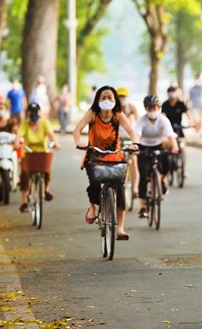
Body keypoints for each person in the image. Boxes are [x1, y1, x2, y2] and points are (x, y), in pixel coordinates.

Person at [73, 86, 139, 240]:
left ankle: (120, 228)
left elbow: (131, 131)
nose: (107, 100)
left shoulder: (118, 115)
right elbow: (77, 129)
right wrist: (79, 142)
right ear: (97, 100)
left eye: (110, 97)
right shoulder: (93, 114)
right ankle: (92, 205)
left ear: (115, 100)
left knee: (120, 188)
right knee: (95, 181)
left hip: (114, 155)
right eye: (103, 97)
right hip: (94, 155)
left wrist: (134, 143)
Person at [134, 95, 179, 218]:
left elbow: (170, 135)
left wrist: (174, 147)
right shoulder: (141, 120)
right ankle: (142, 207)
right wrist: (136, 147)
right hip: (143, 147)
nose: (152, 110)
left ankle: (162, 180)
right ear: (145, 108)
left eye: (154, 107)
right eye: (149, 107)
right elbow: (137, 135)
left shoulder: (163, 120)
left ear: (158, 107)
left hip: (159, 145)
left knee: (169, 161)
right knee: (143, 177)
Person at [16, 103, 61, 212]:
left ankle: (46, 189)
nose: (34, 114)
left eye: (36, 111)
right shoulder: (25, 124)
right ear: (28, 113)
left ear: (39, 112)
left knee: (46, 170)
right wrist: (16, 144)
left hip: (42, 153)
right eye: (31, 111)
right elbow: (18, 136)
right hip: (28, 153)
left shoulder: (45, 123)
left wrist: (55, 143)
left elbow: (51, 135)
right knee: (24, 173)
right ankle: (24, 201)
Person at [161, 85, 194, 172]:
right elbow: (163, 117)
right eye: (170, 92)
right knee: (166, 147)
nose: (172, 94)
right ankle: (167, 166)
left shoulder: (180, 104)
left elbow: (188, 112)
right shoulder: (165, 104)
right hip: (168, 130)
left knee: (183, 146)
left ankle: (184, 168)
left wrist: (191, 122)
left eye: (173, 92)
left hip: (179, 128)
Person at [116, 86, 140, 197]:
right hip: (117, 138)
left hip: (129, 138)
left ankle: (135, 189)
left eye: (123, 96)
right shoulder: (114, 110)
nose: (122, 98)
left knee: (133, 162)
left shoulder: (131, 108)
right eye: (119, 96)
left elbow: (139, 122)